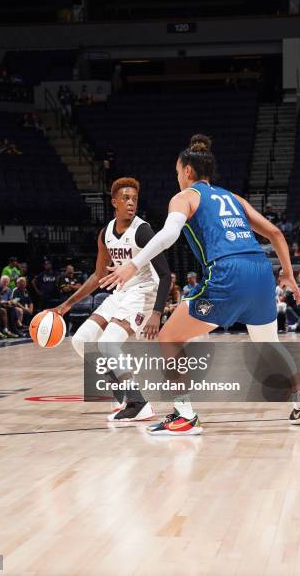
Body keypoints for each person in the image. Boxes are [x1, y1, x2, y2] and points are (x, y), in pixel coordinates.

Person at [100, 134, 300, 434]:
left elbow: (168, 234)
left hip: (228, 273)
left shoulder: (186, 196)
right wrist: (289, 274)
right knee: (268, 344)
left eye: (178, 172)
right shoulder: (233, 197)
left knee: (169, 339)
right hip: (260, 271)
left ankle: (184, 415)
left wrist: (133, 264)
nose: (177, 178)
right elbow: (276, 234)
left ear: (187, 171)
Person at [52, 177, 171, 423]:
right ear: (114, 201)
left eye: (134, 199)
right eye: (126, 198)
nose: (131, 203)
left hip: (143, 293)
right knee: (82, 340)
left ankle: (139, 402)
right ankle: (118, 388)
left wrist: (157, 313)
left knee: (108, 344)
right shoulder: (105, 233)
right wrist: (66, 305)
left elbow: (165, 275)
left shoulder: (143, 230)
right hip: (121, 293)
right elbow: (98, 276)